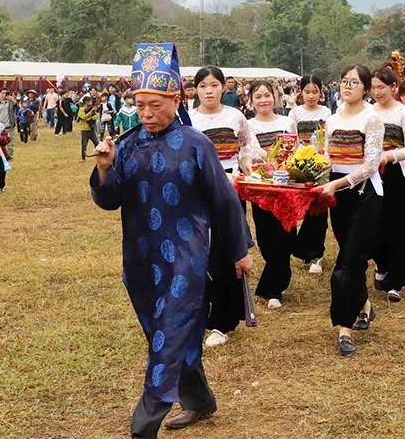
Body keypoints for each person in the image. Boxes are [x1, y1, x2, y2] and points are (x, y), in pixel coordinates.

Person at [90, 42, 254, 434]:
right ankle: (200, 399)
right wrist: (104, 169)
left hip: (187, 258)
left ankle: (142, 427)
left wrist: (239, 250)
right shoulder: (126, 146)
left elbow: (225, 202)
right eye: (140, 104)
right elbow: (109, 201)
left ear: (176, 98)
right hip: (141, 260)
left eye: (156, 104)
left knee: (168, 338)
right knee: (165, 333)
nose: (146, 113)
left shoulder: (197, 145)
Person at [189, 67, 264, 348]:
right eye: (203, 86)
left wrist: (244, 164)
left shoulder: (235, 116)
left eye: (214, 85)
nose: (209, 91)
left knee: (226, 252)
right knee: (197, 252)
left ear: (224, 88)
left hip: (230, 190)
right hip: (195, 192)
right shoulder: (189, 119)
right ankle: (196, 315)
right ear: (195, 90)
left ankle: (222, 321)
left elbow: (249, 145)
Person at [320, 64, 384, 356]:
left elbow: (371, 164)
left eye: (354, 82)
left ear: (366, 88)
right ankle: (365, 306)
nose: (347, 86)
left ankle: (344, 330)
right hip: (337, 192)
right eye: (344, 81)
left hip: (364, 192)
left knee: (347, 263)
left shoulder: (372, 118)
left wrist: (339, 183)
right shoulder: (332, 120)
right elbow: (327, 157)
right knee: (348, 252)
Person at [370, 65, 405, 302]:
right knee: (376, 224)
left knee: (399, 227)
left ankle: (397, 280)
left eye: (381, 87)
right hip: (371, 174)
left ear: (393, 87)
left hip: (397, 175)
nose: (377, 92)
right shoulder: (369, 112)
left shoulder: (403, 113)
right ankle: (381, 265)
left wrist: (390, 155)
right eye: (373, 88)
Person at [245, 80, 295, 310]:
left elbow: (295, 148)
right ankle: (277, 276)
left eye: (267, 95)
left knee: (286, 235)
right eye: (258, 96)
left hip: (287, 187)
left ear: (275, 96)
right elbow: (250, 152)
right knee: (265, 237)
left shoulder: (287, 121)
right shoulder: (248, 125)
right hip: (262, 188)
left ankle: (273, 288)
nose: (263, 100)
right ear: (251, 100)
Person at [288, 74, 333, 273]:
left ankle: (317, 254)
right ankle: (305, 249)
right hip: (302, 165)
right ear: (301, 92)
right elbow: (292, 139)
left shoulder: (327, 112)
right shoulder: (295, 113)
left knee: (320, 210)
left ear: (321, 93)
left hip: (321, 165)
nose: (311, 96)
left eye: (315, 92)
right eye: (307, 92)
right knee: (304, 210)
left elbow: (329, 139)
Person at [76, 95, 100, 163]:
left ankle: (99, 155)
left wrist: (91, 117)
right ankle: (83, 158)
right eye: (90, 101)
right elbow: (83, 117)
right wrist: (91, 113)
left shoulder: (91, 108)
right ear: (86, 102)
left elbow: (96, 116)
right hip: (84, 130)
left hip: (91, 129)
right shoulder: (81, 109)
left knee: (97, 143)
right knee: (84, 145)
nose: (91, 102)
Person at [0, 89, 17, 159]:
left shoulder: (11, 103)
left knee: (10, 141)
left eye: (6, 93)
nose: (5, 95)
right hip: (0, 126)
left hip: (9, 125)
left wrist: (11, 99)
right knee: (1, 141)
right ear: (0, 94)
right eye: (3, 93)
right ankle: (1, 155)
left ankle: (10, 156)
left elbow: (17, 107)